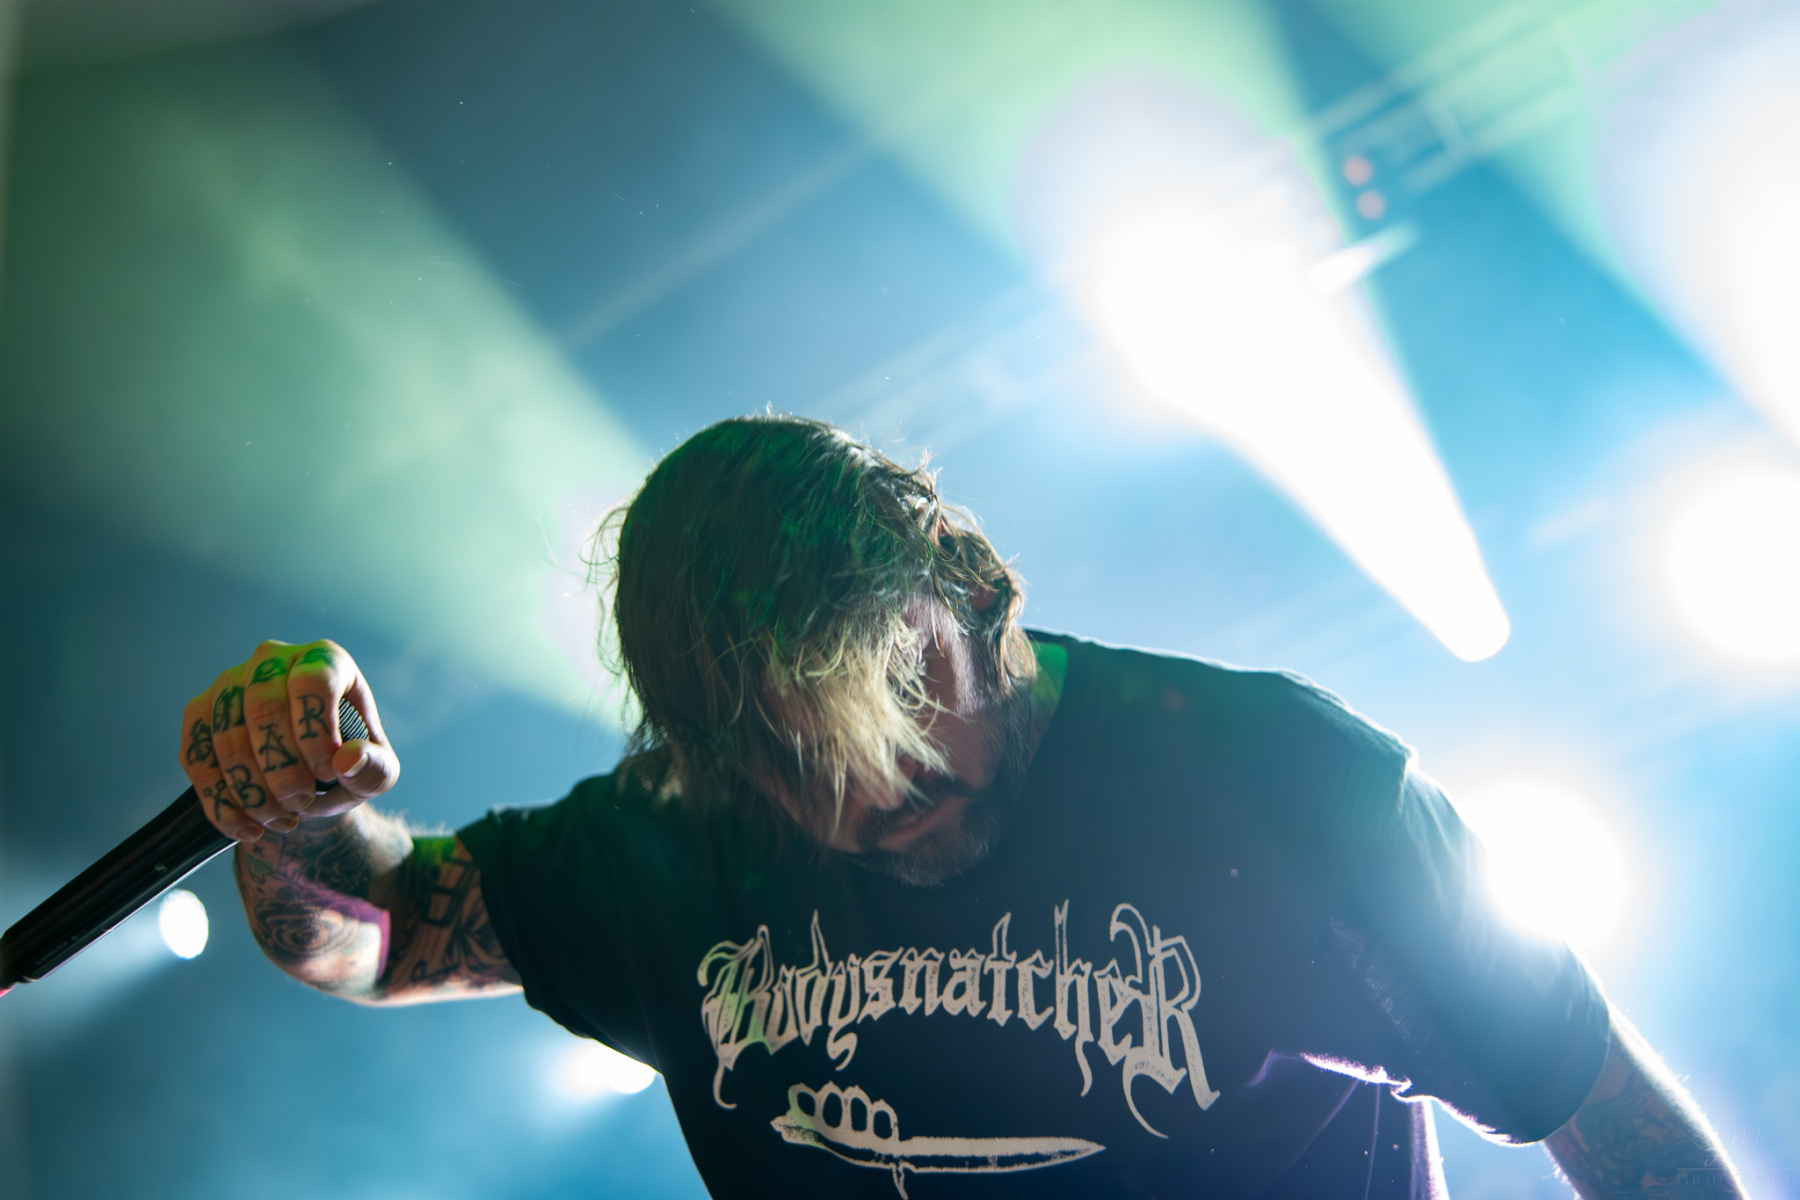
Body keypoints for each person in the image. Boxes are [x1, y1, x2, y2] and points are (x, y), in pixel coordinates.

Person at [179, 415, 1745, 1198]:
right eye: (799, 756)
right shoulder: (671, 841)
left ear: (978, 588)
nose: (881, 789)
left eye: (905, 692)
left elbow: (1602, 1110)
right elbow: (377, 936)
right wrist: (286, 812)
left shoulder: (1282, 784)